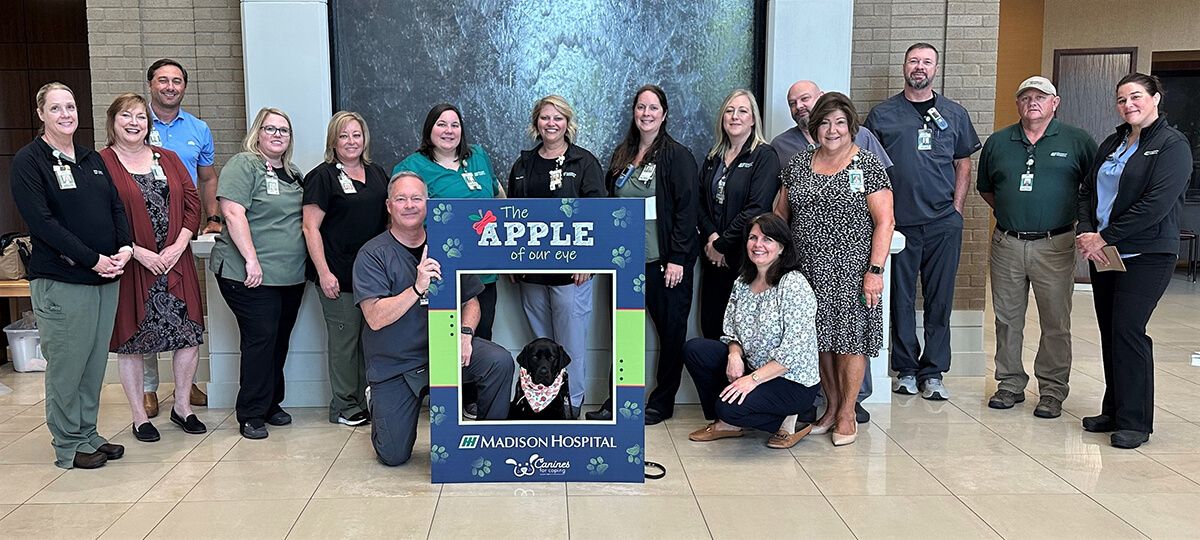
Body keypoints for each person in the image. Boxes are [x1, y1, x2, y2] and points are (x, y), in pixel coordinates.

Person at [353, 172, 515, 466]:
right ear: (389, 206)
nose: (409, 205)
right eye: (401, 199)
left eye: (416, 198)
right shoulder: (372, 254)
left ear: (428, 204)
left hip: (445, 350)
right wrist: (417, 287)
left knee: (499, 361)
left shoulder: (447, 245)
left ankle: (491, 440)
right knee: (393, 456)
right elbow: (375, 318)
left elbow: (472, 302)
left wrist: (465, 332)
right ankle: (380, 402)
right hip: (397, 363)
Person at [11, 82, 132, 469]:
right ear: (41, 114)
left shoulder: (89, 158)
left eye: (71, 106)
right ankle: (68, 445)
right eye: (56, 108)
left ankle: (87, 433)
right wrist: (92, 259)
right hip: (63, 282)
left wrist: (124, 248)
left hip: (104, 278)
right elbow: (43, 223)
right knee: (67, 365)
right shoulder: (30, 161)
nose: (66, 114)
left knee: (93, 364)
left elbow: (115, 206)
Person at [1077, 73, 1192, 449]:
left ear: (1156, 98)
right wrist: (1087, 230)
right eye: (1122, 99)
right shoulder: (1113, 142)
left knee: (1128, 330)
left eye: (1137, 96)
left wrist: (1104, 235)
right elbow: (1087, 191)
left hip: (1148, 253)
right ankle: (1113, 409)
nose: (1129, 105)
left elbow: (1155, 205)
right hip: (1106, 253)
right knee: (1111, 331)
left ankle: (1135, 421)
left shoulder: (1172, 144)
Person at [772, 79, 895, 425]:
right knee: (820, 342)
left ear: (851, 126)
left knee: (850, 341)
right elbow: (780, 215)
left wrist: (875, 271)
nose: (832, 130)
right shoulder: (797, 164)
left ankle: (846, 413)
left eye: (840, 122)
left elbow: (885, 222)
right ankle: (831, 406)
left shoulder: (867, 166)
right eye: (824, 122)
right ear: (815, 127)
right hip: (807, 271)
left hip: (853, 272)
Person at [864, 42, 981, 400]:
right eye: (914, 60)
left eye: (926, 62)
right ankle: (906, 369)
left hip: (943, 222)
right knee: (899, 298)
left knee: (939, 297)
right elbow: (869, 166)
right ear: (904, 67)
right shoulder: (882, 114)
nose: (920, 67)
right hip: (897, 226)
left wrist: (957, 208)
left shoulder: (955, 113)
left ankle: (933, 371)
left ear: (936, 69)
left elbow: (963, 161)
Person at [978, 76, 1098, 418]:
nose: (1033, 102)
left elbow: (1091, 189)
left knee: (1056, 321)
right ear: (1017, 103)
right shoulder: (999, 142)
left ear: (1054, 103)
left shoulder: (1077, 141)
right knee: (1006, 318)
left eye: (1040, 97)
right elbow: (988, 189)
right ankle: (1010, 383)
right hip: (1008, 243)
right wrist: (1016, 213)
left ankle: (1052, 390)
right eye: (1026, 97)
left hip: (1055, 244)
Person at [585, 84, 699, 424]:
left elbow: (686, 211)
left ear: (664, 114)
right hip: (624, 264)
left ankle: (662, 402)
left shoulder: (677, 156)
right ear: (634, 113)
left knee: (671, 333)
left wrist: (677, 257)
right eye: (640, 108)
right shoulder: (623, 154)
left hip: (664, 264)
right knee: (624, 332)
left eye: (653, 108)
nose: (646, 114)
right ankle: (616, 399)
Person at [100, 93, 208, 442]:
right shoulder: (101, 163)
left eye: (140, 117)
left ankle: (181, 406)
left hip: (177, 262)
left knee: (189, 334)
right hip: (133, 265)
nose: (134, 123)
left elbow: (192, 203)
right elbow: (98, 217)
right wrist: (136, 252)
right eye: (126, 117)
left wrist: (179, 244)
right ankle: (138, 417)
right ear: (113, 122)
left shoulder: (169, 158)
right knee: (133, 341)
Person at [395, 104, 503, 420]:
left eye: (455, 125)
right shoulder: (414, 166)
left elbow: (498, 197)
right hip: (439, 269)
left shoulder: (479, 157)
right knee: (441, 335)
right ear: (430, 130)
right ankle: (444, 399)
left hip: (483, 268)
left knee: (480, 333)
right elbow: (404, 209)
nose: (449, 130)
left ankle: (471, 397)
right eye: (441, 124)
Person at [682, 213, 820, 449]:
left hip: (791, 380)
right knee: (696, 349)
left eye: (767, 239)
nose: (758, 245)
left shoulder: (793, 284)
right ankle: (729, 422)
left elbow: (793, 352)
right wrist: (734, 355)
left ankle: (790, 420)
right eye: (753, 238)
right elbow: (731, 333)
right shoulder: (743, 282)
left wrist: (751, 381)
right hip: (755, 368)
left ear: (781, 248)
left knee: (727, 407)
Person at [209, 107, 306, 440]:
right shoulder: (243, 164)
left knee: (278, 340)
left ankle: (269, 403)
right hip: (248, 273)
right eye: (270, 129)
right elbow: (233, 214)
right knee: (260, 340)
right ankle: (250, 412)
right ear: (257, 133)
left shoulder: (293, 174)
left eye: (284, 130)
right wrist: (251, 259)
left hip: (289, 275)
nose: (277, 135)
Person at [507, 95, 605, 417]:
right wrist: (511, 261)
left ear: (568, 123)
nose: (551, 123)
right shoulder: (522, 165)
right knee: (541, 349)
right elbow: (512, 217)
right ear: (536, 122)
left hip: (571, 274)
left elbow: (598, 217)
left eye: (558, 118)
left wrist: (588, 262)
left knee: (570, 347)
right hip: (531, 274)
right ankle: (544, 405)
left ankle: (571, 406)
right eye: (545, 117)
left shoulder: (584, 163)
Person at [302, 111, 389, 427]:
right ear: (333, 142)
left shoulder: (378, 173)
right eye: (344, 135)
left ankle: (366, 399)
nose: (351, 141)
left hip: (374, 277)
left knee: (371, 340)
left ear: (365, 138)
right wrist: (324, 272)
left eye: (356, 134)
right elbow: (310, 228)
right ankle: (343, 405)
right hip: (337, 274)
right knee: (344, 342)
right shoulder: (321, 177)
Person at [143, 58, 217, 415]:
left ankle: (187, 387)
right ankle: (148, 389)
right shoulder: (137, 123)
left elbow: (207, 178)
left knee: (185, 306)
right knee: (144, 307)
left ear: (184, 87)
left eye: (176, 81)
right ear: (150, 85)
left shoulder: (198, 129)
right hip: (144, 226)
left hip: (183, 227)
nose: (170, 87)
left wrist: (212, 216)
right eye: (163, 80)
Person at [697, 89, 781, 340]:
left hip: (745, 260)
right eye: (730, 111)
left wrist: (722, 244)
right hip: (713, 259)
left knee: (741, 333)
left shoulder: (764, 156)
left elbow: (756, 208)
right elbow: (700, 203)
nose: (735, 116)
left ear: (753, 119)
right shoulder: (713, 158)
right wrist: (712, 239)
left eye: (743, 111)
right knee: (711, 326)